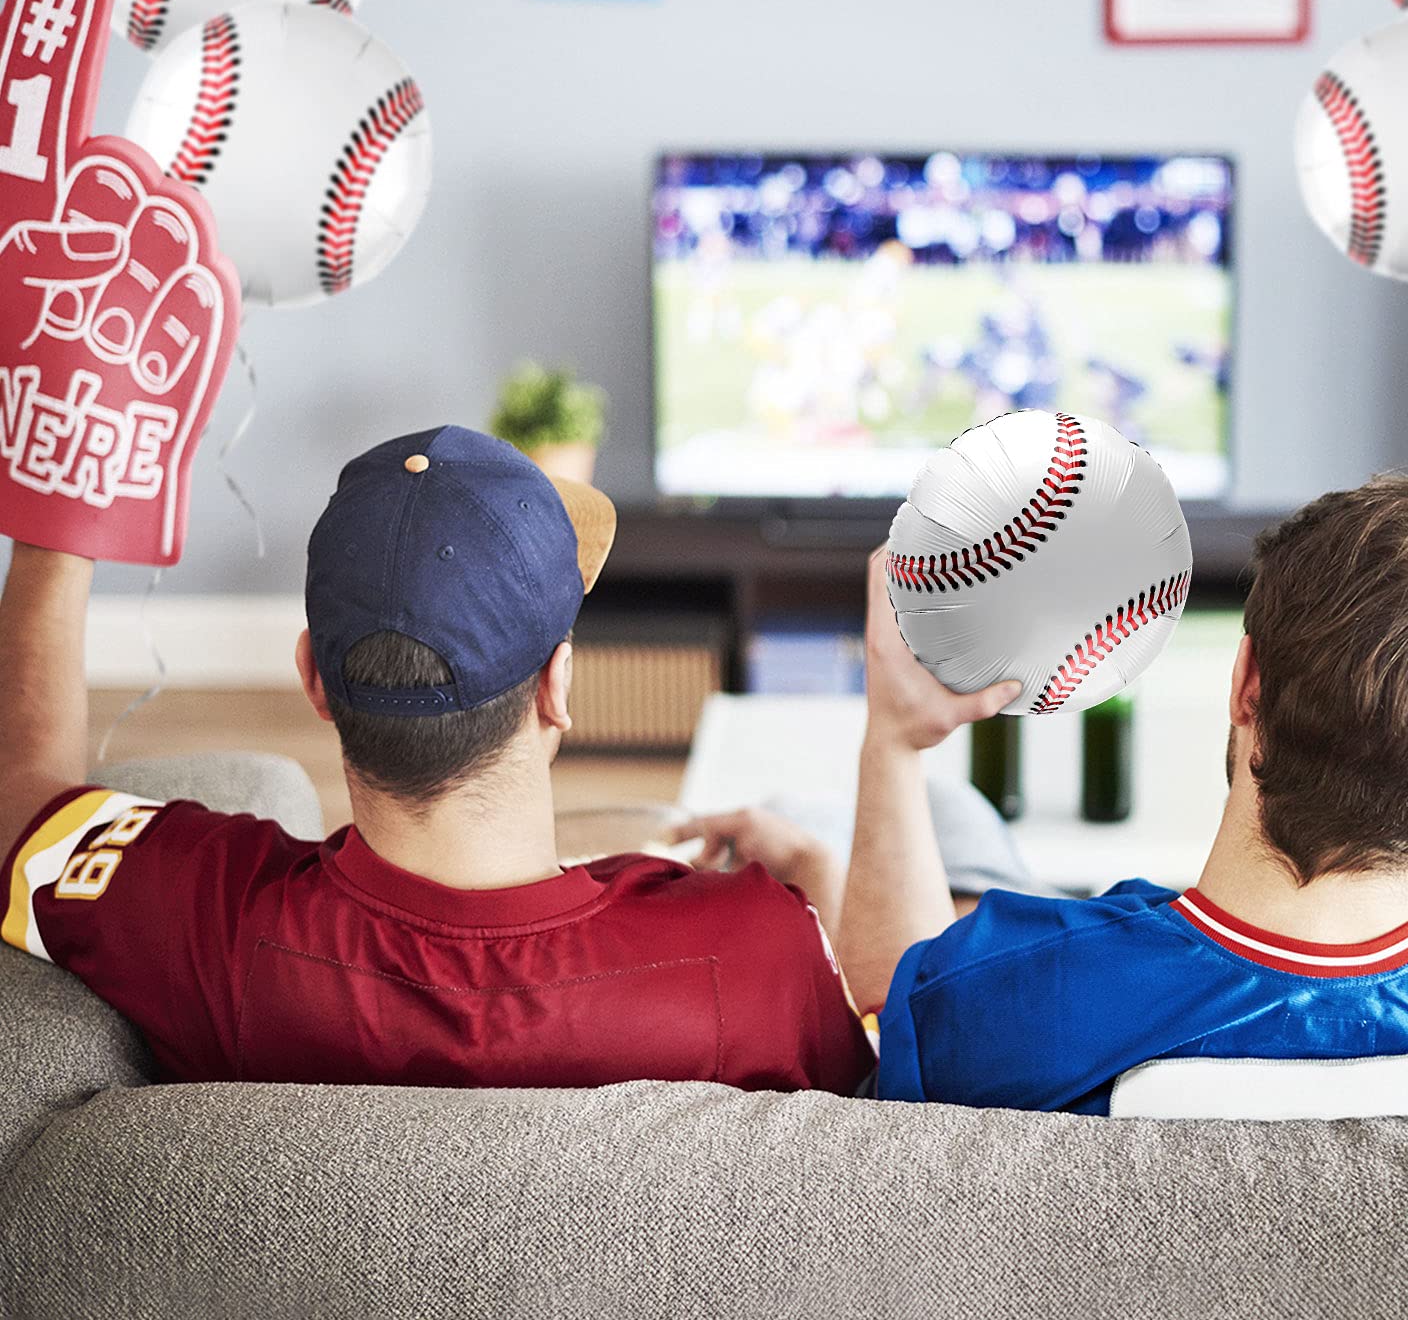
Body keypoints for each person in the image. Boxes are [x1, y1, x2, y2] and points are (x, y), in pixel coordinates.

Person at [0, 425, 874, 1094]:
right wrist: (817, 883)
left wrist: (56, 533)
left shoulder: (191, 912)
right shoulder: (759, 944)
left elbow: (19, 799)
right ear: (557, 688)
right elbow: (874, 1101)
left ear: (313, 679)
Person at [822, 475, 1408, 1112]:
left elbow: (891, 1013)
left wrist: (894, 739)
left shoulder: (1007, 989)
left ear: (1245, 683)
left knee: (954, 817)